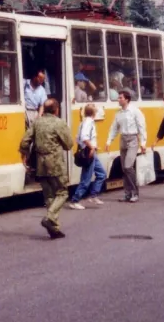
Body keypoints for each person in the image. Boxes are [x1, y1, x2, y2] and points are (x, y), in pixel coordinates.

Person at [19, 98, 73, 238]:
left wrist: (24, 155)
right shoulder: (59, 123)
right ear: (56, 110)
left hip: (40, 164)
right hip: (55, 163)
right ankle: (50, 218)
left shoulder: (37, 122)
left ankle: (54, 229)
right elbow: (69, 145)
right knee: (62, 192)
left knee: (48, 195)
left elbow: (25, 141)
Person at [105, 90, 147, 203]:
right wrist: (108, 141)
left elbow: (142, 127)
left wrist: (143, 143)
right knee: (124, 168)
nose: (118, 100)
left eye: (120, 98)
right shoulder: (118, 113)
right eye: (118, 98)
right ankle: (127, 193)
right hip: (123, 139)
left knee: (128, 166)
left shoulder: (135, 111)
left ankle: (135, 193)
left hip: (133, 139)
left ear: (126, 99)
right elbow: (114, 128)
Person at [67, 104, 106, 210]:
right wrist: (92, 147)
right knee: (86, 178)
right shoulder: (89, 123)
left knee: (102, 174)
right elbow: (84, 137)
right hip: (89, 153)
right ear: (94, 113)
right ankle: (75, 200)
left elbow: (77, 138)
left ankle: (93, 195)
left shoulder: (84, 122)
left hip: (91, 152)